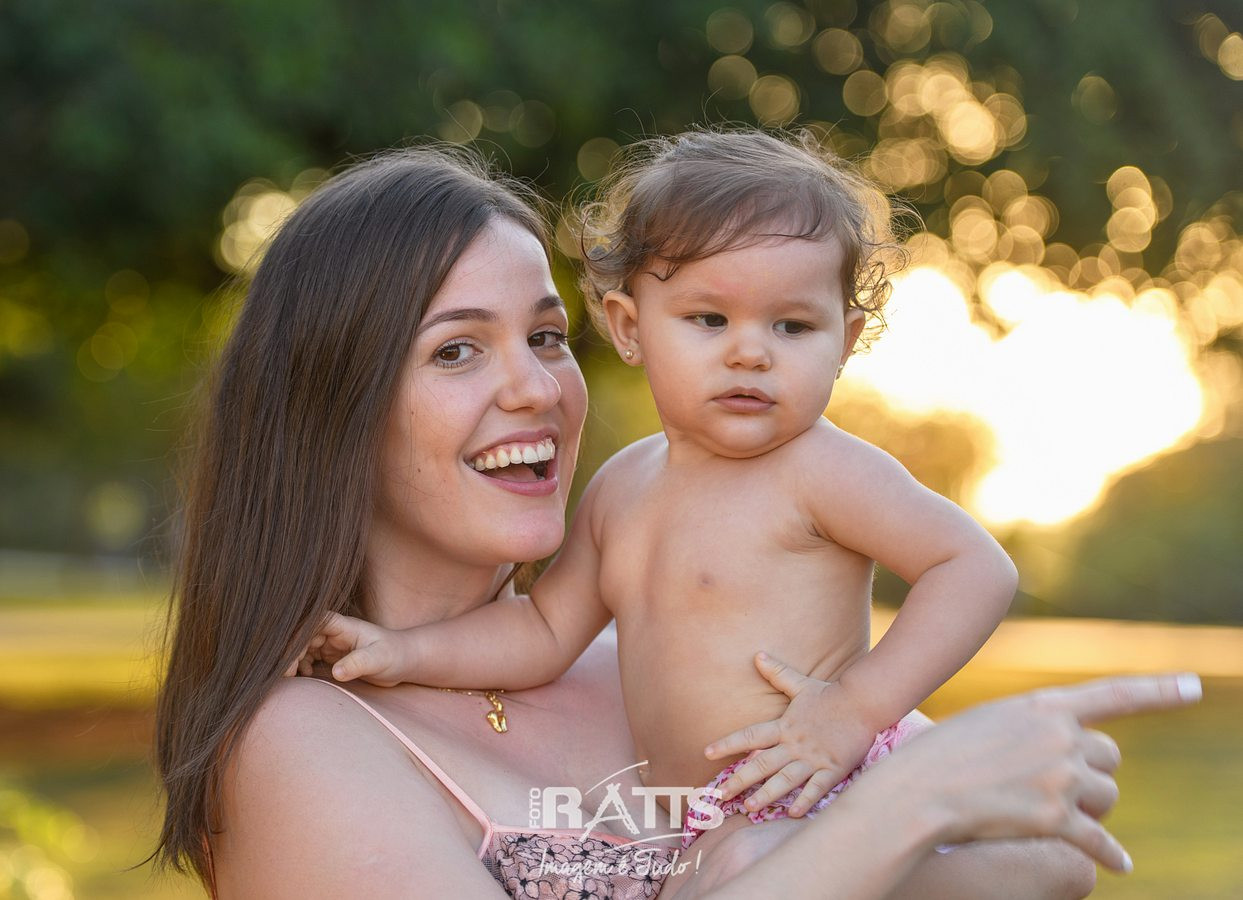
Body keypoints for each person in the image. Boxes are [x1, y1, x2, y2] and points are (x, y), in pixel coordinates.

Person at [153, 144, 1197, 899]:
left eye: (546, 337)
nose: (536, 388)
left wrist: (932, 795)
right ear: (332, 405)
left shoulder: (671, 646)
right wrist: (895, 818)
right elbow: (921, 804)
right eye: (456, 350)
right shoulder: (304, 741)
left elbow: (1034, 847)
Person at [298, 129, 1017, 848]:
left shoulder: (821, 471)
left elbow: (974, 566)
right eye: (710, 319)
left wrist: (855, 709)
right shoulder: (621, 490)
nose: (750, 352)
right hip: (707, 826)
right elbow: (542, 630)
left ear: (845, 342)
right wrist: (402, 652)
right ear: (629, 328)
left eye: (793, 326)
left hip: (816, 788)